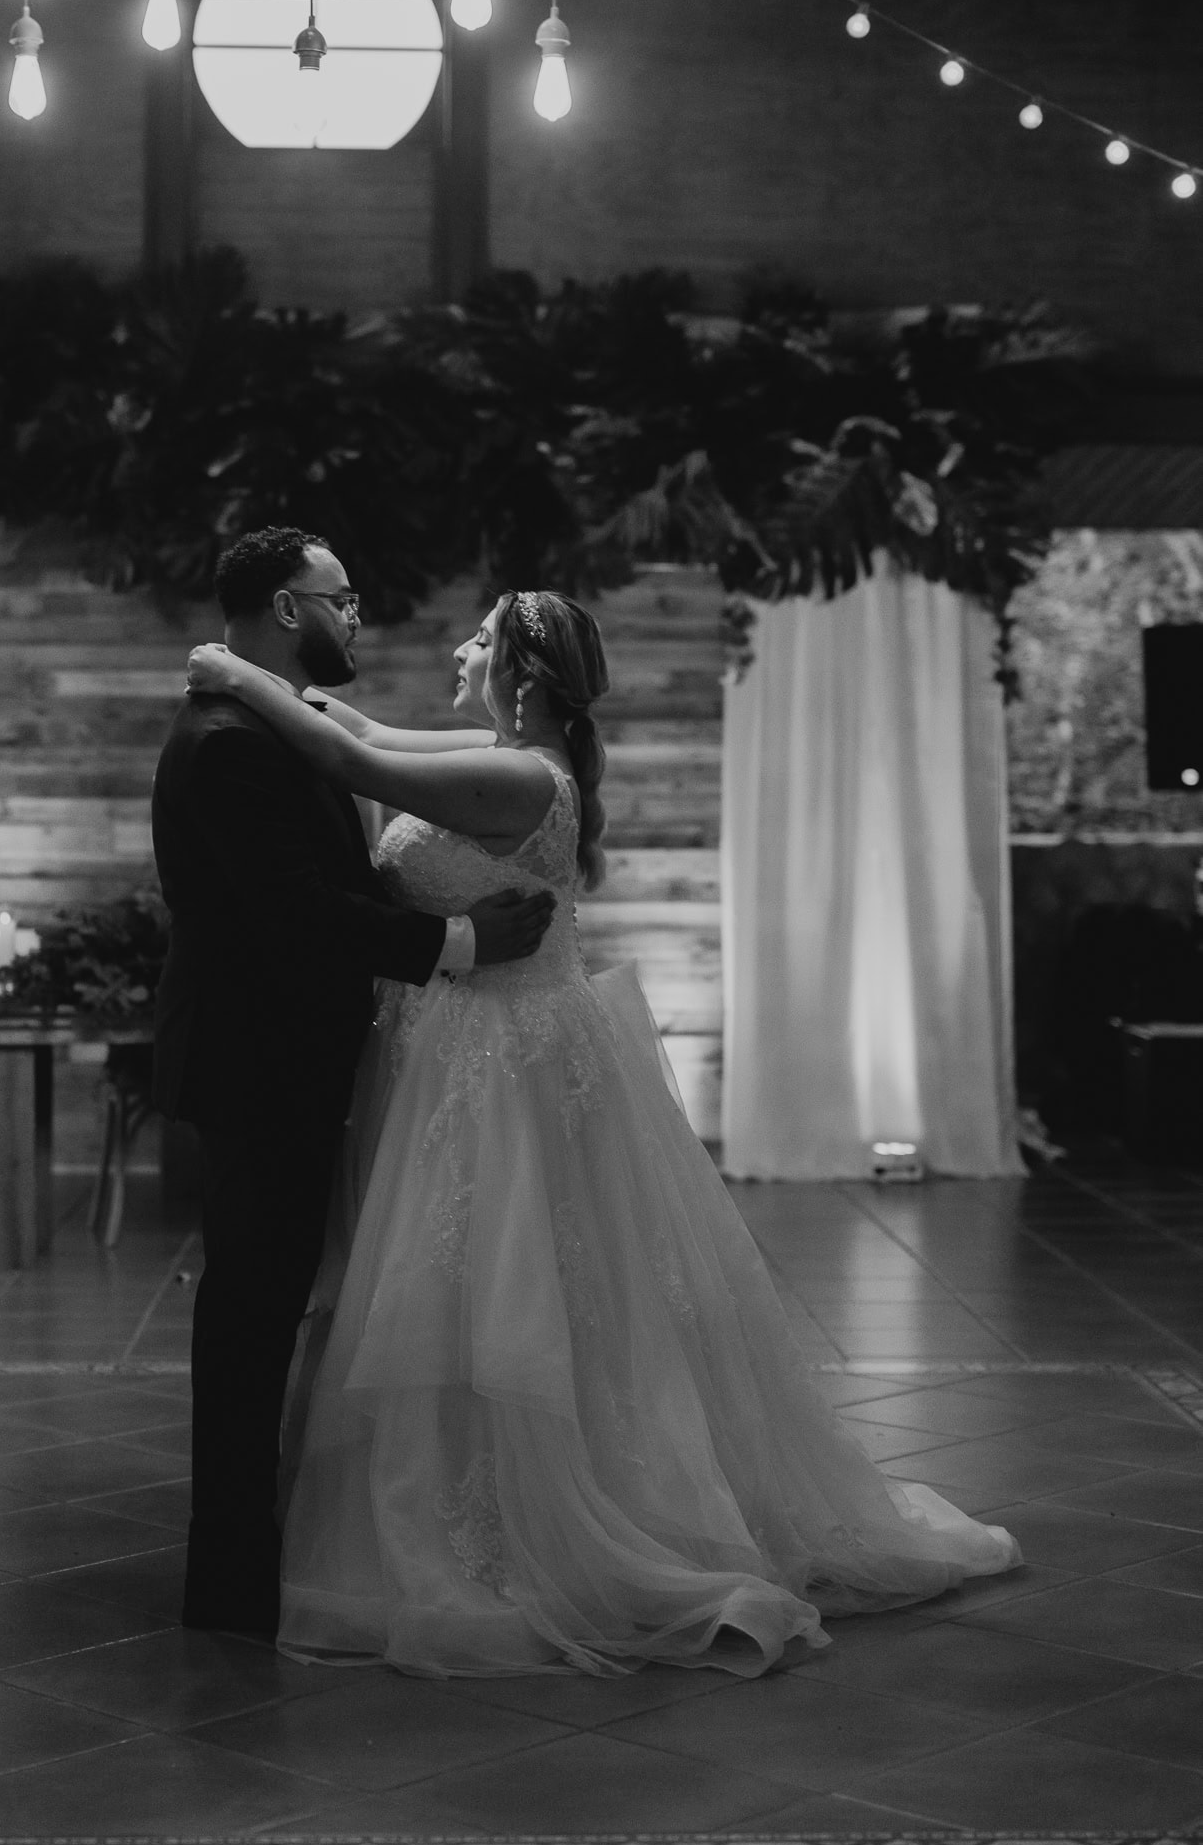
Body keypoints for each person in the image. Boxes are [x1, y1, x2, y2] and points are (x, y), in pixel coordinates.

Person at [185, 587, 1021, 1678]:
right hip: (464, 1050)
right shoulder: (500, 752)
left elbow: (357, 768)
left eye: (480, 639)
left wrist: (236, 673)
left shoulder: (522, 777)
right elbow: (364, 732)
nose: (457, 645)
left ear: (522, 676)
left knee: (504, 1287)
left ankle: (539, 1520)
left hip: (501, 1069)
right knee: (461, 1287)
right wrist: (283, 689)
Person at [151, 528, 555, 1639]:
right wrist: (462, 944)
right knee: (251, 1316)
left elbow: (359, 757)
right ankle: (229, 1580)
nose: (359, 616)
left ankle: (254, 1551)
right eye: (345, 598)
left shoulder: (270, 721)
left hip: (290, 1058)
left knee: (276, 1305)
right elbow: (296, 915)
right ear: (289, 609)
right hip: (260, 1062)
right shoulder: (233, 740)